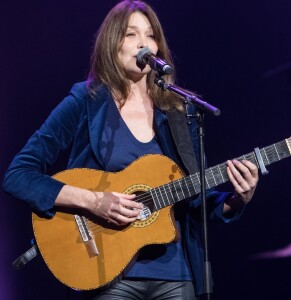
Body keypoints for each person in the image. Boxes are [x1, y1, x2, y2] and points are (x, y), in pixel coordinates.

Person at [3, 1, 259, 299]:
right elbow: (19, 175)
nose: (143, 43)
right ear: (112, 44)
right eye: (130, 34)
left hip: (176, 275)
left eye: (151, 35)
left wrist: (237, 199)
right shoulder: (87, 101)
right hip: (108, 272)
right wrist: (93, 200)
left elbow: (194, 199)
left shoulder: (180, 111)